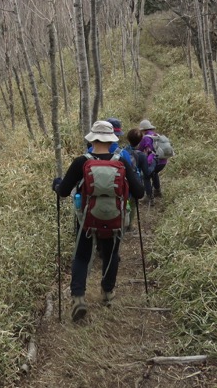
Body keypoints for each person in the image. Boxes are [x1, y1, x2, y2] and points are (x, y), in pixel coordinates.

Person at [52, 120, 145, 321]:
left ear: (92, 138)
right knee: (111, 254)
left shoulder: (81, 162)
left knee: (82, 256)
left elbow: (64, 192)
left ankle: (78, 298)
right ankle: (107, 294)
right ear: (112, 139)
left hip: (87, 219)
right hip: (114, 219)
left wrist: (57, 185)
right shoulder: (121, 161)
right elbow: (139, 192)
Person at [137, 119, 167, 200]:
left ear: (143, 130)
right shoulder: (156, 135)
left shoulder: (145, 138)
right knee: (154, 173)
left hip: (153, 161)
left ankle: (149, 197)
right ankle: (157, 191)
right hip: (163, 161)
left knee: (146, 176)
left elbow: (139, 150)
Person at [125, 128, 152, 214]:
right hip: (135, 182)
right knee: (132, 205)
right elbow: (147, 173)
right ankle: (129, 225)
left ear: (128, 139)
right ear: (141, 141)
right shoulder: (141, 155)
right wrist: (154, 163)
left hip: (123, 181)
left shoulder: (123, 151)